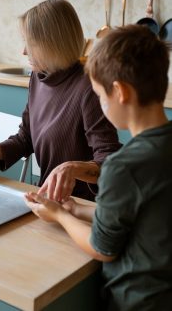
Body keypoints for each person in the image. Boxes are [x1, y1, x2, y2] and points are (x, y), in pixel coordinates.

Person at [25, 25, 172, 310]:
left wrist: (59, 216)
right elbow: (138, 215)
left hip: (136, 300)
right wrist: (76, 209)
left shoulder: (124, 165)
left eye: (99, 96)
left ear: (119, 92)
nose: (100, 104)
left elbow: (102, 248)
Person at [0, 0, 121, 201]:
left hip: (81, 205)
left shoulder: (89, 87)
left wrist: (73, 168)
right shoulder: (38, 78)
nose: (24, 51)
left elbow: (109, 161)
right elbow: (25, 139)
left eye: (30, 43)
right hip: (47, 199)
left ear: (53, 44)